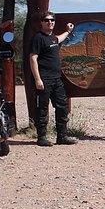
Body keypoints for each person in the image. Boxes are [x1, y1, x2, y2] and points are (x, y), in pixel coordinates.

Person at [29, 11, 78, 147]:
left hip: (57, 80)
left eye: (52, 20)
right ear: (42, 23)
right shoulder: (38, 38)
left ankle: (62, 136)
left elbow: (59, 39)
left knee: (62, 107)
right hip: (44, 79)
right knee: (42, 109)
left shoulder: (52, 38)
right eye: (46, 20)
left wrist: (68, 31)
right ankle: (41, 137)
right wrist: (37, 79)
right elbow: (33, 58)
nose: (49, 22)